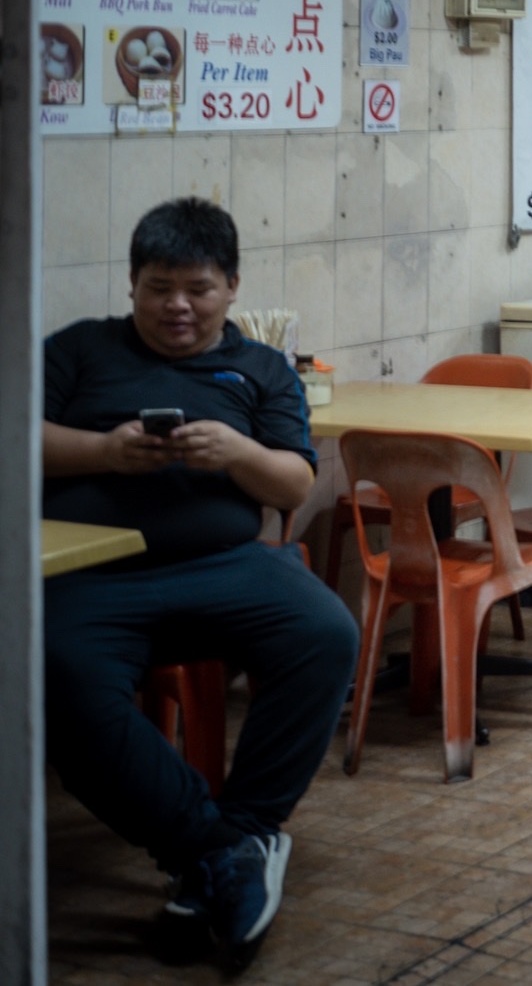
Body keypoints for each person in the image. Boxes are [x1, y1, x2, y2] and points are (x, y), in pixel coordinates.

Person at [41, 198, 358, 970]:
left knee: (324, 631)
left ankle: (244, 826)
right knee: (53, 673)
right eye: (158, 287)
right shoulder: (77, 349)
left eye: (198, 288)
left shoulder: (262, 368)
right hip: (89, 572)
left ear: (232, 286)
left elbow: (293, 482)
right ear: (131, 283)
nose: (177, 305)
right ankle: (215, 849)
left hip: (226, 566)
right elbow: (16, 435)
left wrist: (237, 452)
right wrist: (103, 451)